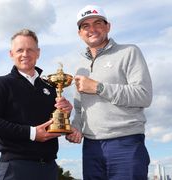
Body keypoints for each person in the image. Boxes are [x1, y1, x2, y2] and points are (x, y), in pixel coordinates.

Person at [65, 5, 153, 180]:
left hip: (125, 143)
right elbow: (80, 107)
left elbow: (143, 95)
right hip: (91, 148)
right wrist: (75, 127)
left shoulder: (129, 52)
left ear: (108, 26)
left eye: (98, 23)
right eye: (86, 26)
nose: (92, 29)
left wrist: (99, 88)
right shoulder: (79, 65)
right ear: (80, 33)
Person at [0, 29, 73, 180]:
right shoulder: (1, 84)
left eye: (30, 49)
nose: (25, 54)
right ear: (11, 54)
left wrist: (66, 113)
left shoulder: (50, 87)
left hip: (49, 169)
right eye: (20, 50)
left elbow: (52, 124)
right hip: (15, 168)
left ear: (38, 52)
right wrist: (32, 133)